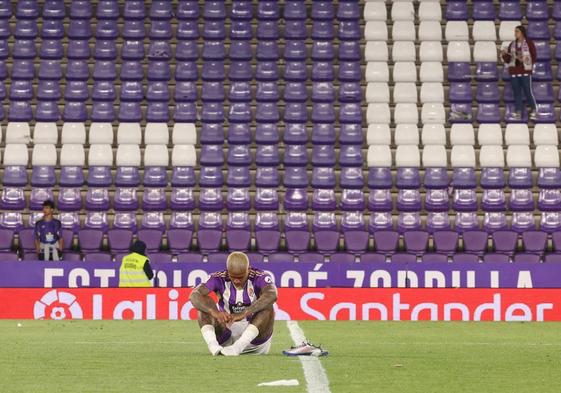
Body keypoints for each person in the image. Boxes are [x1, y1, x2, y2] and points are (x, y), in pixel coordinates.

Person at [190, 251, 277, 356]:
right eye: (233, 277)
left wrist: (244, 313)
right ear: (228, 271)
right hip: (226, 334)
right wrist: (214, 312)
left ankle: (238, 347)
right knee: (204, 306)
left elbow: (272, 294)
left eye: (240, 277)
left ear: (248, 270)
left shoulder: (260, 276)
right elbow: (194, 294)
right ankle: (213, 346)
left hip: (255, 340)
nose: (236, 281)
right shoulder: (218, 278)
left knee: (268, 307)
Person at [500, 25, 537, 121]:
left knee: (528, 92)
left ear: (522, 32)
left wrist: (524, 60)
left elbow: (534, 56)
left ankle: (534, 110)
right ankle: (518, 111)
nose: (515, 33)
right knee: (517, 93)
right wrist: (504, 55)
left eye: (517, 31)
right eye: (515, 31)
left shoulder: (529, 43)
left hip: (525, 72)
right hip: (514, 72)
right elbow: (508, 60)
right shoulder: (511, 44)